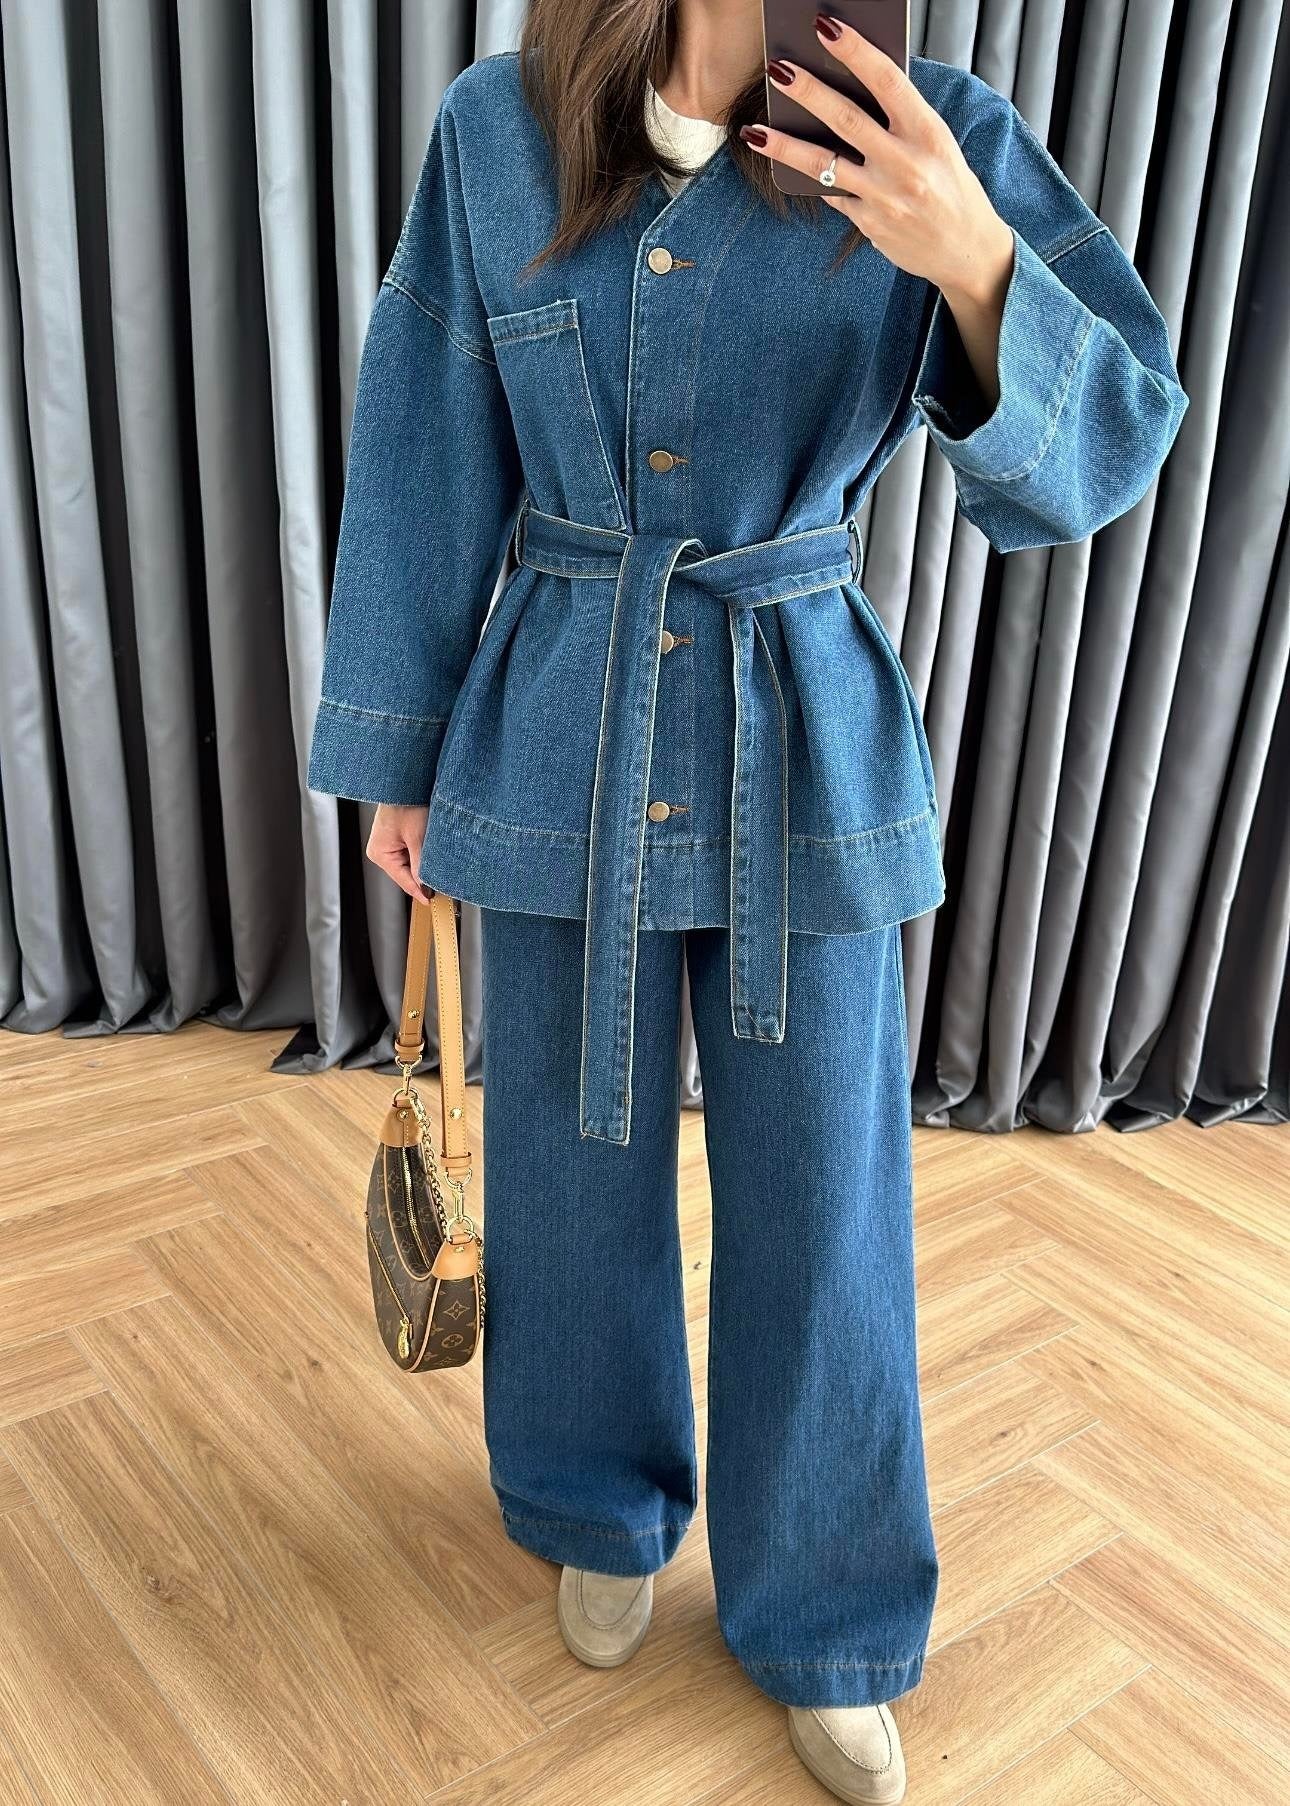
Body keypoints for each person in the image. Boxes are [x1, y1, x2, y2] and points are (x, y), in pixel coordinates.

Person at [306, 4, 1189, 1800]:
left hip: (804, 730)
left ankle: (827, 1610)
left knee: (823, 1193)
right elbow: (425, 434)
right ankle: (593, 1503)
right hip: (555, 719)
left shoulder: (926, 125)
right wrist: (398, 754)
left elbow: (1107, 444)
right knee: (563, 1160)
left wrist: (971, 262)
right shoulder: (499, 128)